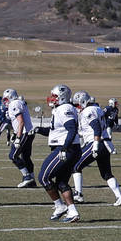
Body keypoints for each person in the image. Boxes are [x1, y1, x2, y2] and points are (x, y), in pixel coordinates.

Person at [70, 90, 121, 206]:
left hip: (96, 143)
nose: (77, 107)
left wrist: (95, 146)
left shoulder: (88, 111)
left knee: (75, 166)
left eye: (77, 105)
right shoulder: (97, 109)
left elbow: (96, 128)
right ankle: (119, 197)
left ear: (83, 102)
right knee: (106, 174)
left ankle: (78, 194)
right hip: (105, 144)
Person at [36, 84, 81, 223]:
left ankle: (60, 206)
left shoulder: (64, 108)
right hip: (69, 148)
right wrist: (38, 130)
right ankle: (72, 212)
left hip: (66, 149)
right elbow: (55, 131)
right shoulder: (60, 109)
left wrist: (64, 148)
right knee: (61, 183)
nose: (52, 99)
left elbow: (72, 129)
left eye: (55, 96)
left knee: (44, 177)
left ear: (62, 97)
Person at [4, 88, 37, 188]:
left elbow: (21, 121)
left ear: (11, 97)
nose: (5, 102)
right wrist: (15, 133)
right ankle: (32, 180)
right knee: (26, 157)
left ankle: (27, 177)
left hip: (24, 133)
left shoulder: (14, 103)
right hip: (28, 132)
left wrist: (18, 137)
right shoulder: (18, 102)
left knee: (13, 155)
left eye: (6, 99)